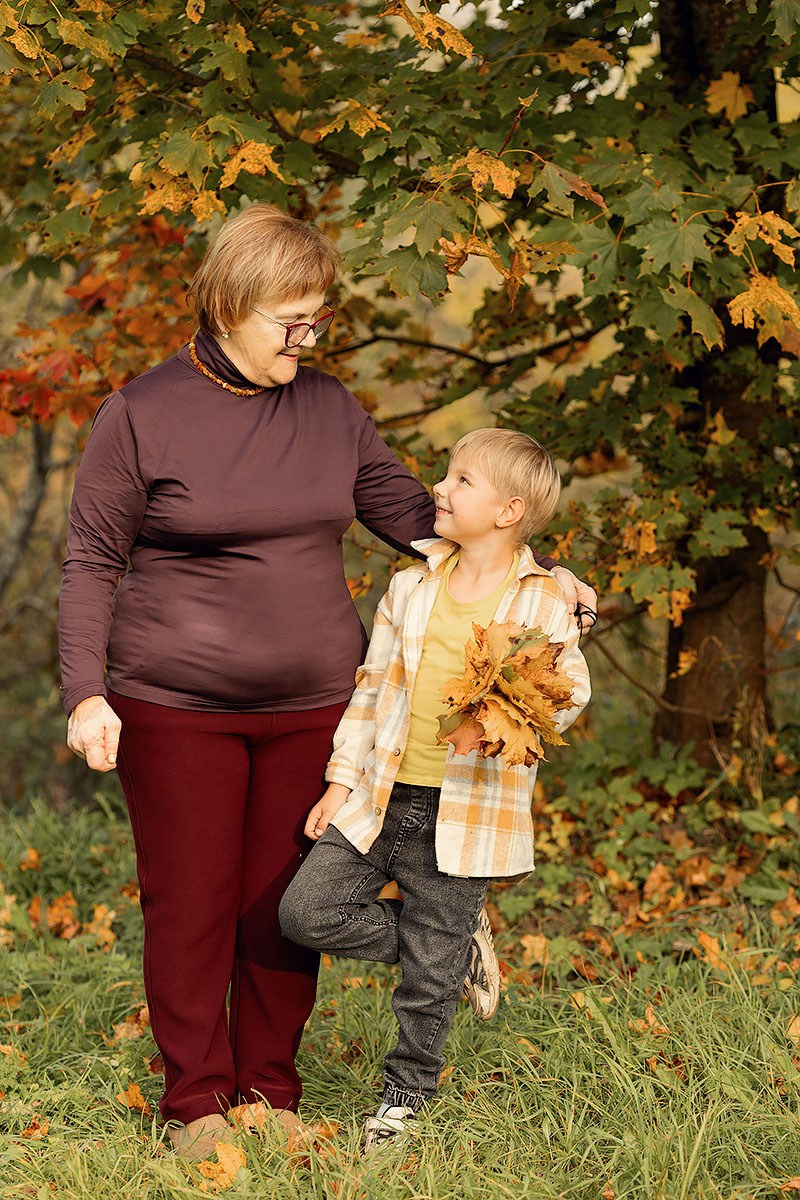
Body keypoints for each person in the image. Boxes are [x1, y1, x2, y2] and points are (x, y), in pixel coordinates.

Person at [59, 204, 596, 1161]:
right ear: (231, 302)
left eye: (318, 320)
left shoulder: (329, 407)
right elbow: (93, 560)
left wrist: (538, 571)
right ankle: (195, 1103)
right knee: (192, 902)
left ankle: (269, 1089)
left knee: (281, 903)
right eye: (289, 322)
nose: (307, 340)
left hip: (316, 705)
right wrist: (85, 692)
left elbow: (407, 509)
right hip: (175, 703)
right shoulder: (140, 412)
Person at [279, 428, 591, 1152]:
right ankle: (451, 950)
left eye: (460, 481)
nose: (439, 492)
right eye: (445, 477)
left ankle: (404, 1097)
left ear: (509, 510)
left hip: (467, 810)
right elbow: (372, 687)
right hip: (385, 795)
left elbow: (569, 691)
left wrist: (510, 708)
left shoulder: (543, 600)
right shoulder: (411, 585)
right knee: (305, 912)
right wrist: (339, 780)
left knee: (426, 985)